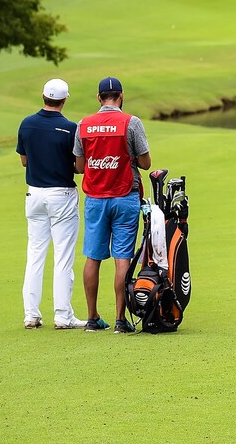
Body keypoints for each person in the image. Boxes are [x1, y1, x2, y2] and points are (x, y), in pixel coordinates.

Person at [73, 77, 151, 334]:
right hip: (125, 196)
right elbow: (146, 162)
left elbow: (80, 167)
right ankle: (120, 319)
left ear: (98, 98)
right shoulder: (131, 122)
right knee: (122, 258)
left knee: (93, 257)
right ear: (121, 95)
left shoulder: (84, 125)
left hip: (95, 199)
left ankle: (92, 318)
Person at [17, 79, 87, 330]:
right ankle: (62, 316)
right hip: (62, 196)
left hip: (34, 195)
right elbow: (79, 167)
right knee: (63, 257)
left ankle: (31, 315)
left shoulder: (26, 123)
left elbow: (24, 161)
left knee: (35, 255)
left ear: (43, 96)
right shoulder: (70, 128)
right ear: (65, 99)